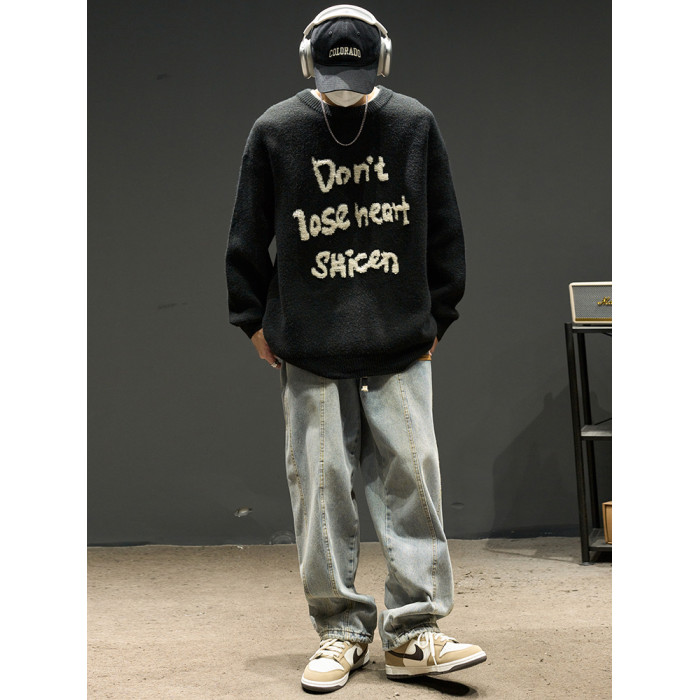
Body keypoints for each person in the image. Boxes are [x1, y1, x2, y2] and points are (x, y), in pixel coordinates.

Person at [225, 4, 486, 693]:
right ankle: (340, 631)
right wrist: (252, 318)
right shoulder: (277, 130)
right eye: (334, 76)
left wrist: (438, 316)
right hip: (309, 346)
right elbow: (248, 230)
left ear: (383, 62)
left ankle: (413, 633)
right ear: (308, 62)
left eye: (359, 75)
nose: (346, 89)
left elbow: (444, 227)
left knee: (414, 483)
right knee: (320, 492)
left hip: (399, 342)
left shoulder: (413, 124)